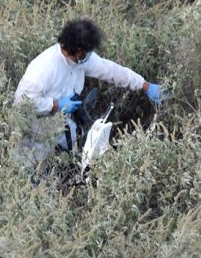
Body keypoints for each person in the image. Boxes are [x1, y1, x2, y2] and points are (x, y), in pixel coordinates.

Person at [14, 19, 166, 161]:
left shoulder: (80, 60)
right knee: (31, 174)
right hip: (35, 135)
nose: (91, 55)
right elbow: (22, 103)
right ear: (80, 51)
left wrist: (144, 85)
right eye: (89, 51)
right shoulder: (44, 67)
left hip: (63, 126)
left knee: (80, 160)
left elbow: (110, 70)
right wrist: (55, 105)